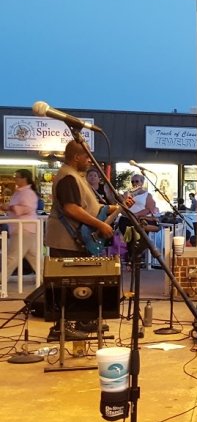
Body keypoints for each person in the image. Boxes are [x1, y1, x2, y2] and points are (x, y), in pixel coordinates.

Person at [45, 141, 125, 339]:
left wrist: (116, 208)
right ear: (76, 157)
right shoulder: (68, 177)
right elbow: (71, 208)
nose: (90, 160)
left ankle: (82, 319)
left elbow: (91, 207)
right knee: (65, 284)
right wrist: (100, 225)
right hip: (65, 239)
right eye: (87, 156)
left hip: (77, 238)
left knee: (80, 282)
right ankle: (62, 326)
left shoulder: (76, 177)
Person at [0, 169, 41, 278]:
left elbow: (26, 208)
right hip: (23, 228)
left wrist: (9, 207)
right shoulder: (20, 192)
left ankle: (2, 280)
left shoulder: (28, 193)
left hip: (23, 228)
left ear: (24, 178)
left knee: (12, 257)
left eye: (17, 177)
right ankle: (46, 277)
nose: (15, 179)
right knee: (34, 257)